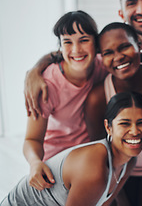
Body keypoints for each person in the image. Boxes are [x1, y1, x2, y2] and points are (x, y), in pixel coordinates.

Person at [1, 91, 142, 206]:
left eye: (141, 123)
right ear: (108, 127)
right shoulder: (94, 165)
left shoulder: (129, 162)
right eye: (124, 123)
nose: (135, 131)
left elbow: (104, 203)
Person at [85, 22, 142, 206]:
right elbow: (100, 154)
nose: (118, 57)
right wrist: (118, 196)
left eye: (124, 46)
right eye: (108, 52)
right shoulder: (98, 97)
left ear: (139, 46)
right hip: (118, 174)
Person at [23, 10, 107, 190]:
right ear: (60, 46)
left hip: (91, 154)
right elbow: (32, 139)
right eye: (67, 42)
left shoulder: (102, 65)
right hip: (57, 161)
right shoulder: (47, 85)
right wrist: (34, 163)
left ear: (96, 43)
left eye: (84, 40)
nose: (76, 50)